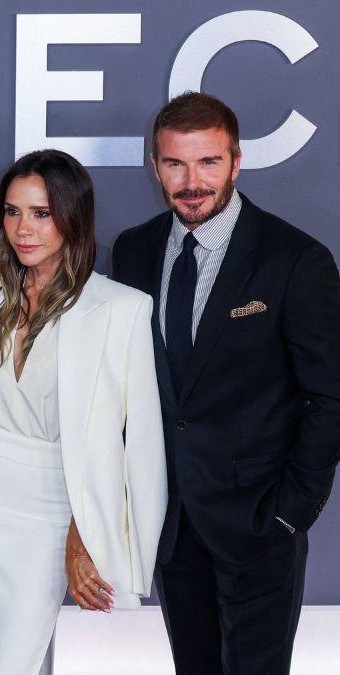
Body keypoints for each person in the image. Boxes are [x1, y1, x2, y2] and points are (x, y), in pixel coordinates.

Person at [111, 92, 340, 675]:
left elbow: (330, 396)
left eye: (208, 163)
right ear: (155, 165)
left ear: (236, 163)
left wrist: (290, 513)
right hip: (174, 524)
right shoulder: (133, 252)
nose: (191, 182)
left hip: (260, 524)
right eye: (175, 164)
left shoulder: (294, 259)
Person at [0, 149, 167, 674]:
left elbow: (138, 443)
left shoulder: (121, 309)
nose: (23, 228)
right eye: (13, 212)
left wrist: (84, 532)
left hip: (49, 512)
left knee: (11, 660)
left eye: (41, 213)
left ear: (72, 217)